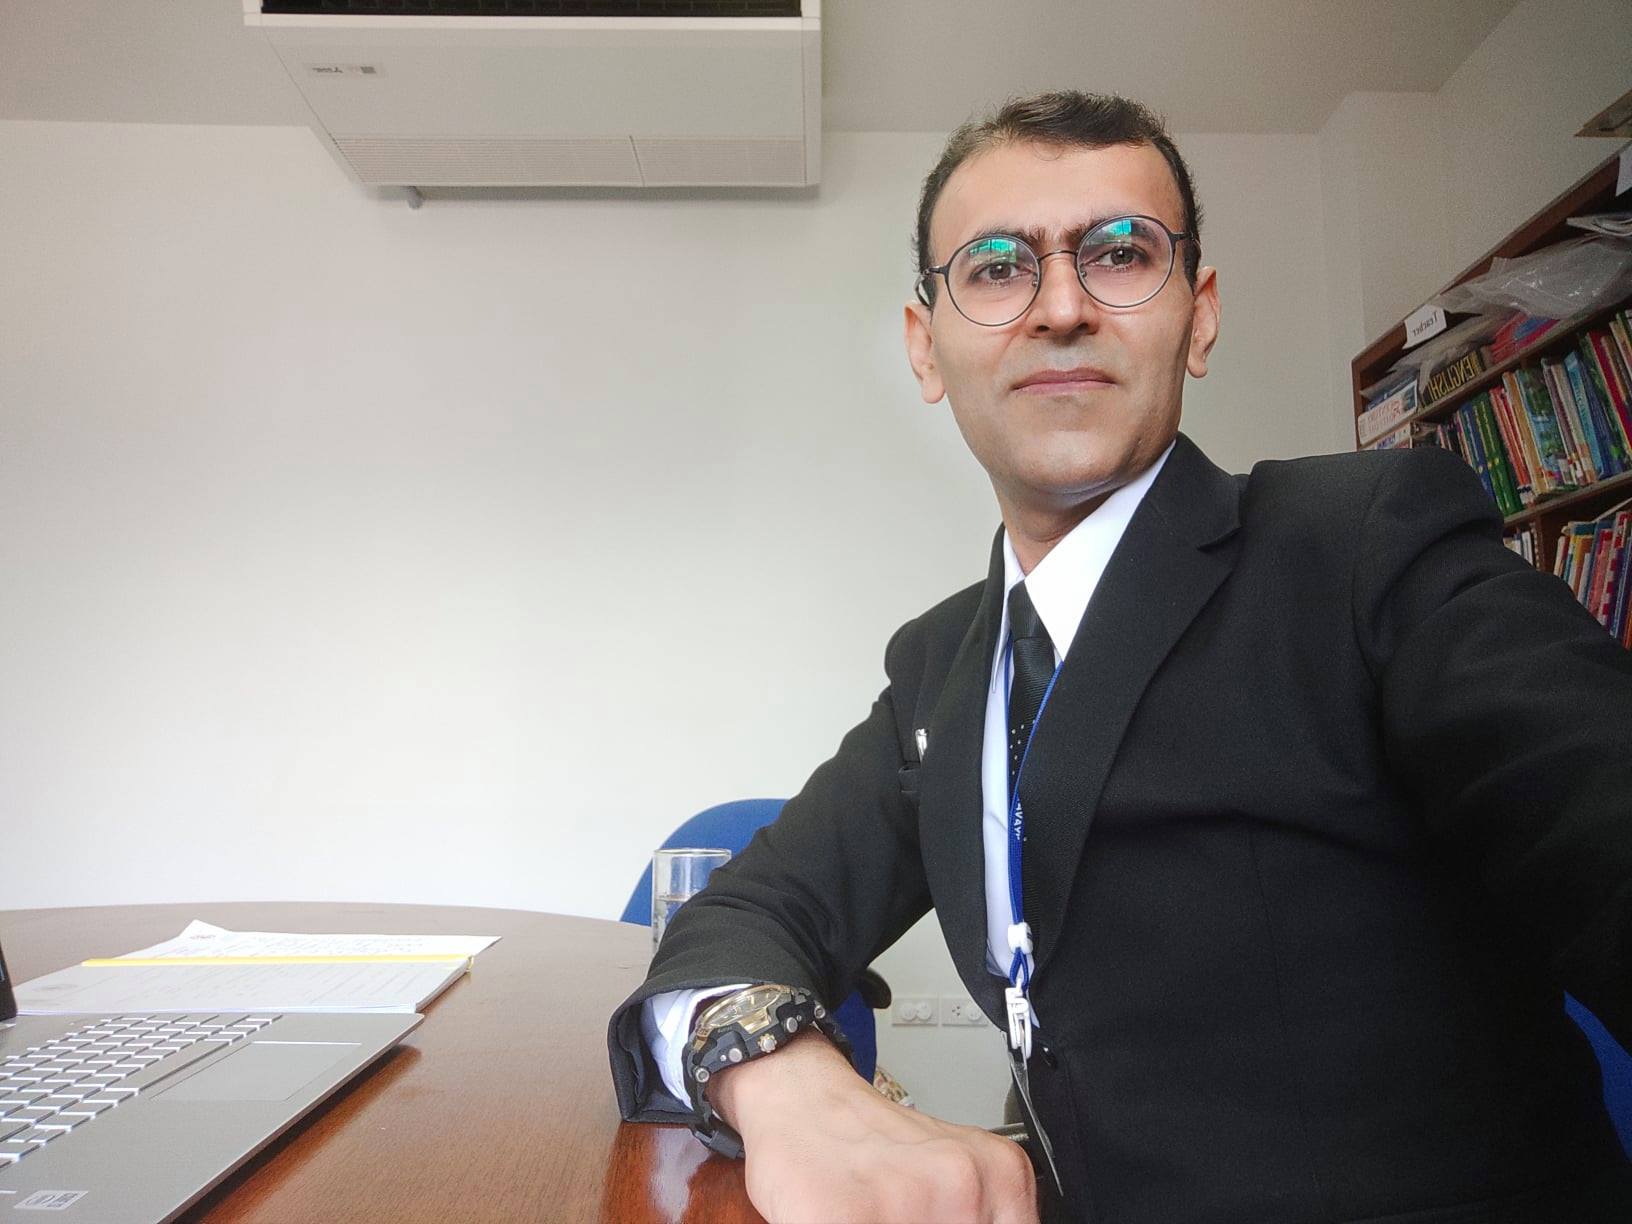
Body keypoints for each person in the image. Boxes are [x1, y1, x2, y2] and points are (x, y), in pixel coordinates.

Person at [606, 91, 1632, 1224]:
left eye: (1120, 254)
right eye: (997, 269)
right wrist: (784, 1079)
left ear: (1199, 316)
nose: (1061, 308)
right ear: (926, 346)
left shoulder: (1366, 549)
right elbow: (746, 908)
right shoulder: (939, 665)